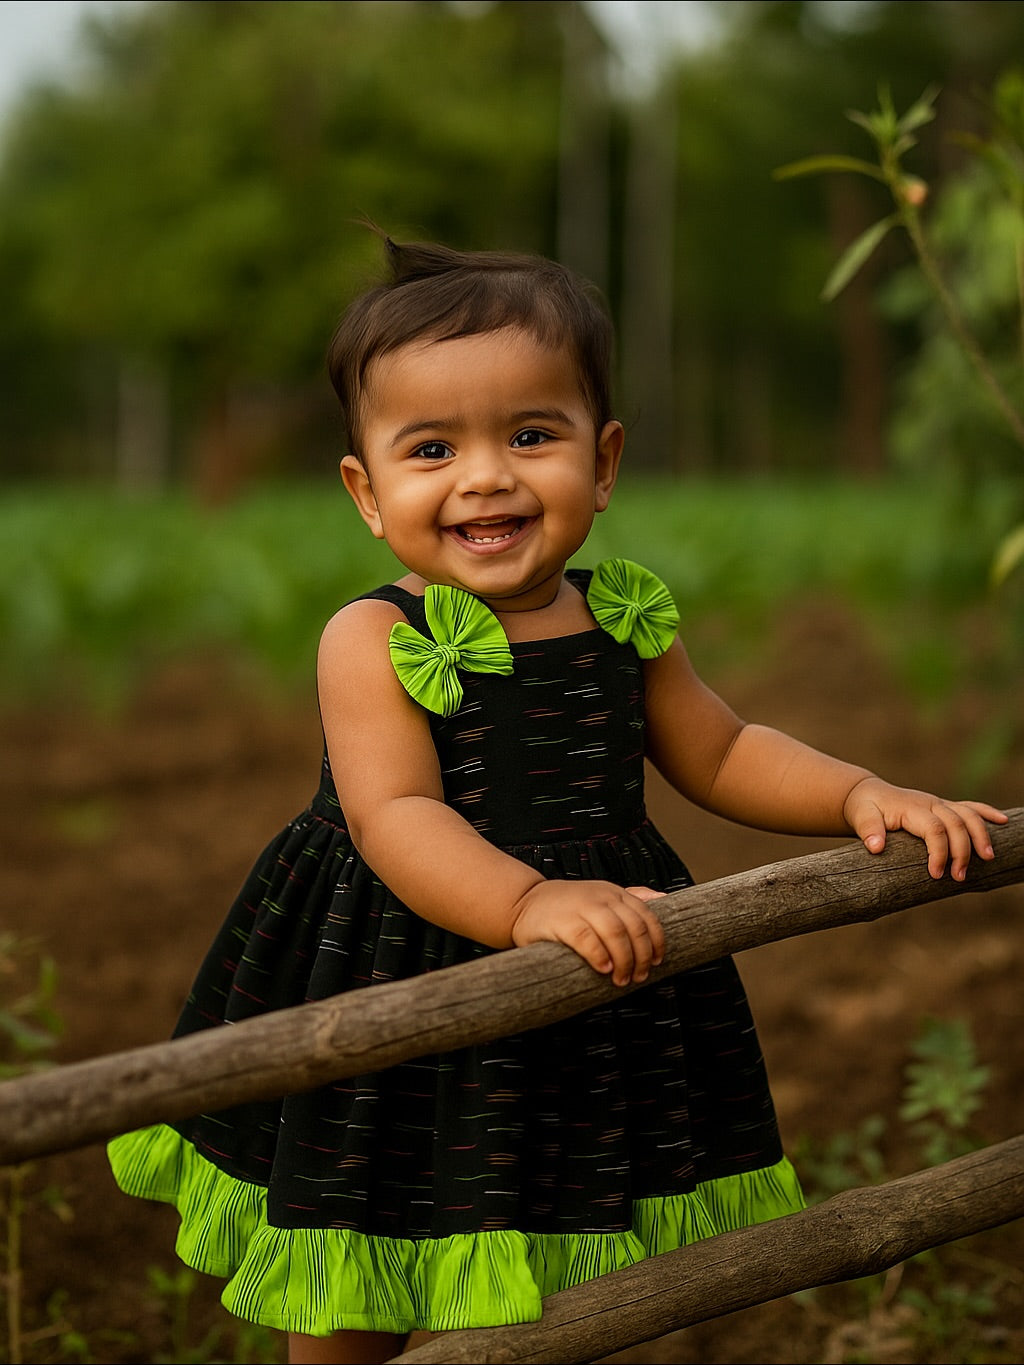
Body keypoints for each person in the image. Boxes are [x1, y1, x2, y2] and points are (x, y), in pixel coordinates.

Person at [108, 237, 1006, 1365]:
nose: (486, 477)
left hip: (589, 944)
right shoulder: (373, 635)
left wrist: (863, 794)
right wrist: (528, 900)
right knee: (359, 1220)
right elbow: (394, 818)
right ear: (366, 492)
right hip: (401, 949)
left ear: (605, 459)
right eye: (431, 448)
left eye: (531, 435)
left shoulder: (619, 618)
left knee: (553, 1197)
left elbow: (723, 754)